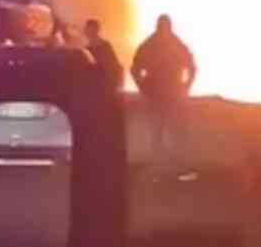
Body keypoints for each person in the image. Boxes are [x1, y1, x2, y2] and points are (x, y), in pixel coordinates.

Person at [130, 14, 196, 162]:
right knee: (161, 125)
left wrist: (185, 86)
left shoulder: (160, 44)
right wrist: (185, 86)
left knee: (168, 125)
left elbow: (191, 67)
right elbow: (135, 69)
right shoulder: (168, 44)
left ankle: (171, 154)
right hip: (163, 90)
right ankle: (164, 154)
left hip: (168, 90)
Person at [84, 19, 123, 94]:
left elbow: (114, 66)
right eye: (87, 29)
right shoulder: (87, 49)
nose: (87, 32)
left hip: (105, 85)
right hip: (94, 86)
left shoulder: (105, 47)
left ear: (96, 31)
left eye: (90, 30)